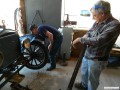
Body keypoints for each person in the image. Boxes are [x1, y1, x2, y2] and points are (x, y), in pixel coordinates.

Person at [72, 0, 120, 90]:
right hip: (88, 54)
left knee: (92, 80)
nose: (93, 18)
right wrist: (85, 36)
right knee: (84, 73)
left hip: (97, 59)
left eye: (94, 15)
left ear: (102, 14)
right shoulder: (99, 20)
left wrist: (80, 39)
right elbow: (91, 31)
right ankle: (83, 85)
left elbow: (99, 40)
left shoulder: (115, 24)